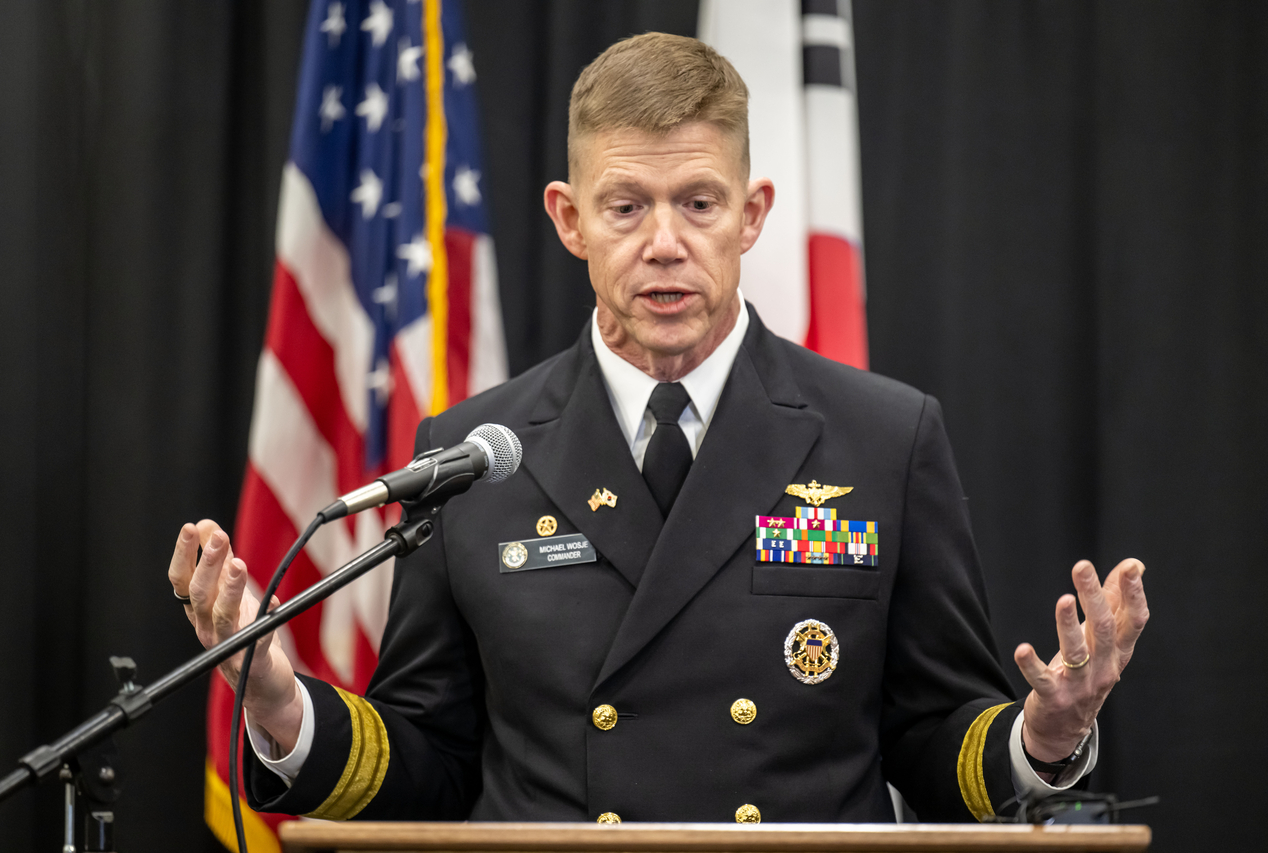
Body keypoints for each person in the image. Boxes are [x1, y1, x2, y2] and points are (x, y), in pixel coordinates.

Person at [168, 33, 1149, 824]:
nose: (665, 244)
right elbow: (430, 755)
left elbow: (932, 737)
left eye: (698, 203)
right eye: (626, 207)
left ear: (750, 214)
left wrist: (1040, 737)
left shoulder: (882, 438)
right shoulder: (473, 451)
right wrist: (281, 707)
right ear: (569, 219)